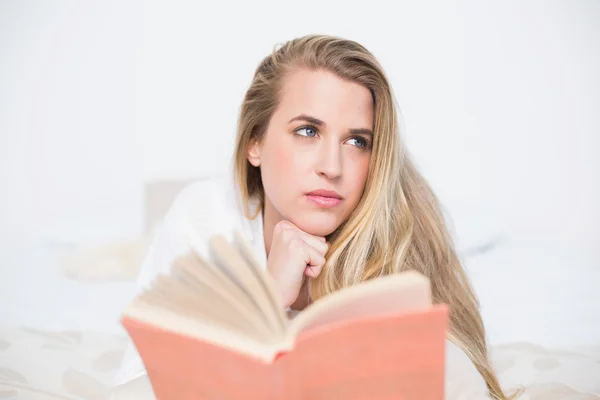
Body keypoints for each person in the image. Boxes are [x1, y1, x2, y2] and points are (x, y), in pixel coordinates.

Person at [111, 34, 513, 399]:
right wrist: (266, 298)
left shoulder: (400, 230)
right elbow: (138, 388)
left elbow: (464, 382)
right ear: (255, 141)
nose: (332, 166)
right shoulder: (205, 216)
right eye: (307, 131)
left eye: (357, 141)